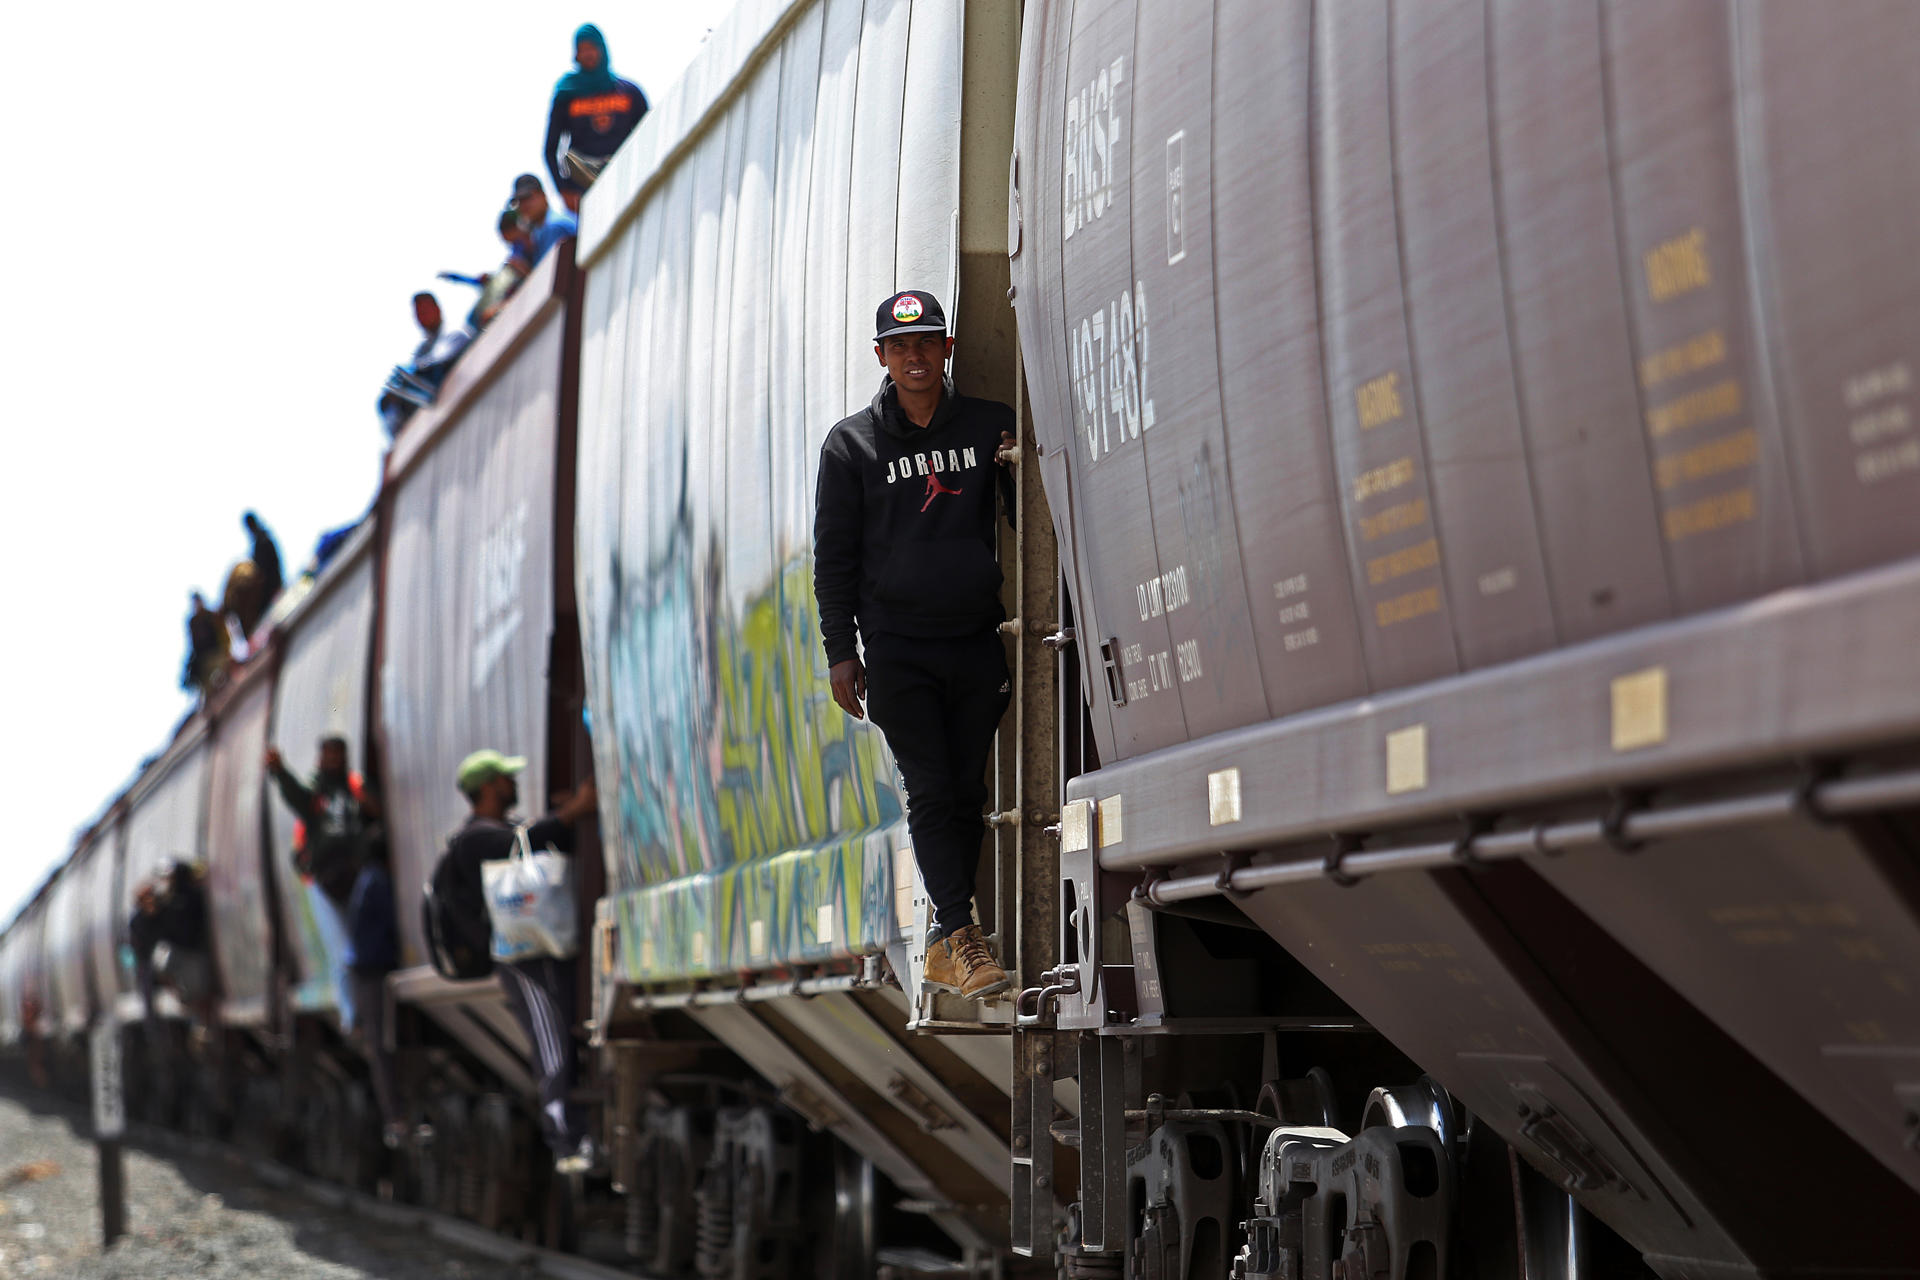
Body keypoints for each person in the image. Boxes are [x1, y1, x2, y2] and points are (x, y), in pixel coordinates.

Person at [812, 290, 1020, 1001]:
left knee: (967, 793)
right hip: (897, 649)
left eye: (927, 342)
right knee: (930, 789)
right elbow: (833, 558)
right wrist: (842, 650)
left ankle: (942, 946)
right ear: (881, 357)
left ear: (949, 347)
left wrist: (1013, 469)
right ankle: (962, 934)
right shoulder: (851, 444)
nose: (915, 357)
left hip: (974, 640)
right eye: (900, 348)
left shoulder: (992, 424)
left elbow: (1032, 524)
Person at [442, 749, 597, 1171]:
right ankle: (566, 1142)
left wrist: (564, 815)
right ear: (489, 787)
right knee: (552, 1049)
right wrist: (574, 812)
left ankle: (576, 1133)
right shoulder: (474, 838)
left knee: (561, 1044)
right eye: (507, 779)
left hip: (542, 952)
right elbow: (519, 844)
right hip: (521, 961)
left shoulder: (495, 830)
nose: (514, 784)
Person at [542, 24, 649, 211]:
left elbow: (649, 133)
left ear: (602, 49)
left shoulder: (628, 92)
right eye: (582, 50)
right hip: (584, 184)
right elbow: (551, 148)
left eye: (591, 48)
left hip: (624, 176)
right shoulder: (567, 95)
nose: (588, 54)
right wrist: (563, 190)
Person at [266, 737, 381, 907]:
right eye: (330, 754)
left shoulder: (355, 787)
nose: (334, 759)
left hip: (358, 872)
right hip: (328, 877)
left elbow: (377, 813)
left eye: (338, 754)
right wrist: (280, 772)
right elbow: (297, 796)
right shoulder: (316, 792)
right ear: (321, 758)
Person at [342, 839, 405, 1145]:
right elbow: (399, 919)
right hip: (372, 973)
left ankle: (396, 1117)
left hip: (364, 974)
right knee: (380, 1047)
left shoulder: (368, 879)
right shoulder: (378, 881)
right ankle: (396, 1118)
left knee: (379, 1048)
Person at [510, 174, 576, 268]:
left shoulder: (555, 226)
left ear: (543, 195)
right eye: (519, 201)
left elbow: (554, 274)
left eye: (527, 197)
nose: (524, 205)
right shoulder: (538, 232)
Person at [182, 591, 231, 696]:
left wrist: (226, 651)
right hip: (203, 660)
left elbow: (223, 634)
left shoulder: (211, 616)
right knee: (207, 690)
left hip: (217, 654)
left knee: (225, 680)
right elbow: (193, 644)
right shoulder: (193, 622)